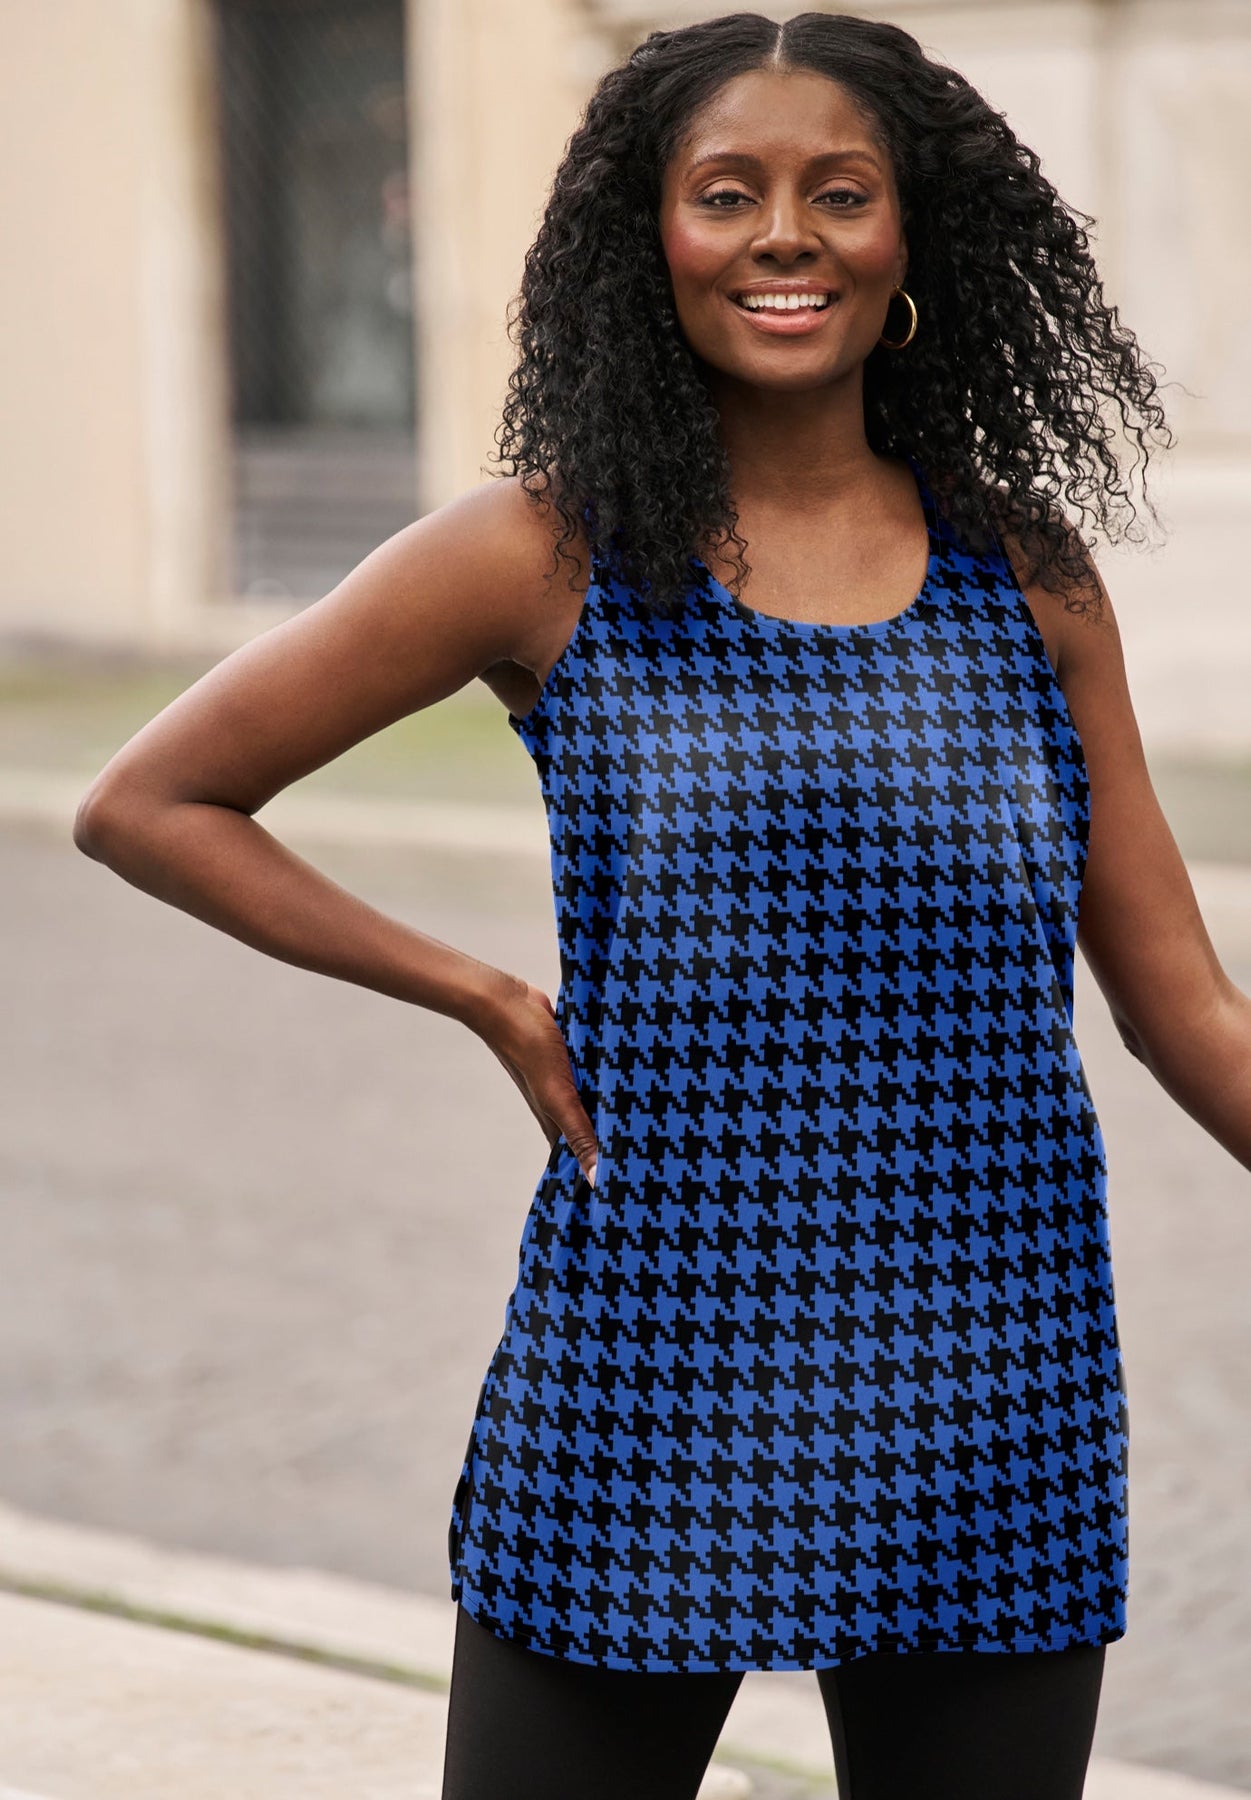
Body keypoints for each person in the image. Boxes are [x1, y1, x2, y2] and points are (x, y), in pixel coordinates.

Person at [73, 11, 1251, 1799]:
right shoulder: (545, 552)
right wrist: (479, 991)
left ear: (912, 235)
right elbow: (151, 802)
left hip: (992, 1375)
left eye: (839, 192)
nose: (787, 236)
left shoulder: (1028, 579)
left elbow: (1194, 1014)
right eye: (727, 193)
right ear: (654, 237)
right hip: (654, 1360)